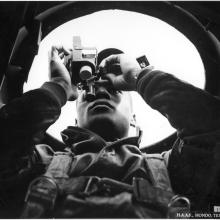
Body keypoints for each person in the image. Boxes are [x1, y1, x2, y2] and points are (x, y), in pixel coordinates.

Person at [0, 45, 219, 218]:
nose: (100, 93)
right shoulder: (41, 162)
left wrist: (139, 76)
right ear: (76, 119)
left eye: (113, 89)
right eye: (89, 93)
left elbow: (212, 128)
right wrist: (57, 86)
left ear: (134, 119)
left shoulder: (171, 168)